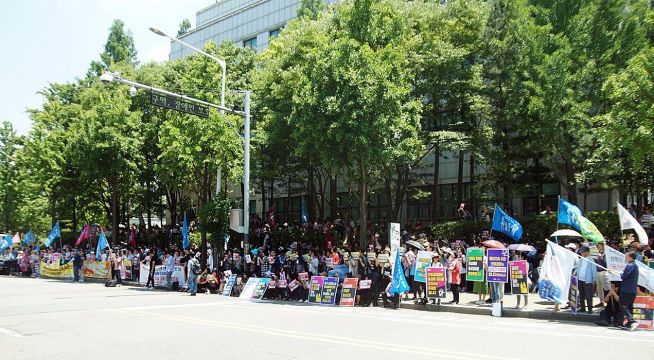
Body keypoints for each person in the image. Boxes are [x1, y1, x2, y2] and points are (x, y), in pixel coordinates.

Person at [618, 252, 639, 331]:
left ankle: (632, 321)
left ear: (630, 257)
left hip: (627, 289)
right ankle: (629, 324)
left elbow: (623, 276)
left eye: (626, 256)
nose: (625, 258)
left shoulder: (630, 265)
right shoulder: (635, 265)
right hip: (632, 290)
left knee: (623, 306)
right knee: (629, 306)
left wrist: (620, 273)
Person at [576, 245, 597, 313]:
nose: (582, 253)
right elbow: (577, 269)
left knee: (589, 295)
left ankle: (590, 309)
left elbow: (594, 270)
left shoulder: (591, 260)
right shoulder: (580, 259)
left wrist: (594, 280)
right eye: (581, 252)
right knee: (581, 295)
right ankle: (582, 308)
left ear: (588, 252)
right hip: (580, 279)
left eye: (583, 252)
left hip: (588, 280)